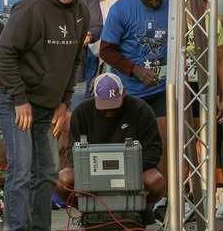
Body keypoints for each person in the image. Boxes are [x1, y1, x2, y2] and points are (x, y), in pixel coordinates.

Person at [0, 0, 90, 231]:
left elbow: (76, 61)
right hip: (16, 100)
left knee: (47, 171)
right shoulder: (31, 6)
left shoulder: (81, 13)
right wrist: (20, 99)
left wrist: (64, 103)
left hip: (49, 106)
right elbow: (4, 54)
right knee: (20, 168)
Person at [57, 73, 166, 203]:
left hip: (133, 171)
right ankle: (85, 212)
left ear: (124, 93)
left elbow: (153, 151)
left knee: (155, 180)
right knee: (62, 179)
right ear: (94, 97)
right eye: (104, 105)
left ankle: (143, 210)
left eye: (114, 105)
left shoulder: (141, 109)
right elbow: (72, 152)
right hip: (92, 170)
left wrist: (125, 169)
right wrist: (95, 171)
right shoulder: (81, 112)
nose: (109, 110)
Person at [98, 0, 171, 153]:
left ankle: (161, 182)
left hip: (161, 88)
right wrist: (135, 70)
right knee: (131, 145)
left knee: (163, 141)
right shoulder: (121, 9)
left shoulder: (173, 5)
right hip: (130, 90)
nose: (156, 0)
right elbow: (106, 51)